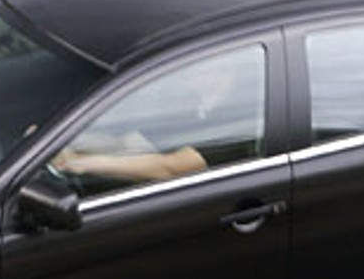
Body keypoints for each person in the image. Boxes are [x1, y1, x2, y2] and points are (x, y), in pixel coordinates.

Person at [51, 48, 258, 188]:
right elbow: (131, 141)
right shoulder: (188, 102)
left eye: (199, 64)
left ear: (225, 71)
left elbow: (171, 168)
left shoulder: (234, 118)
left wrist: (84, 164)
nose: (185, 69)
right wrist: (64, 143)